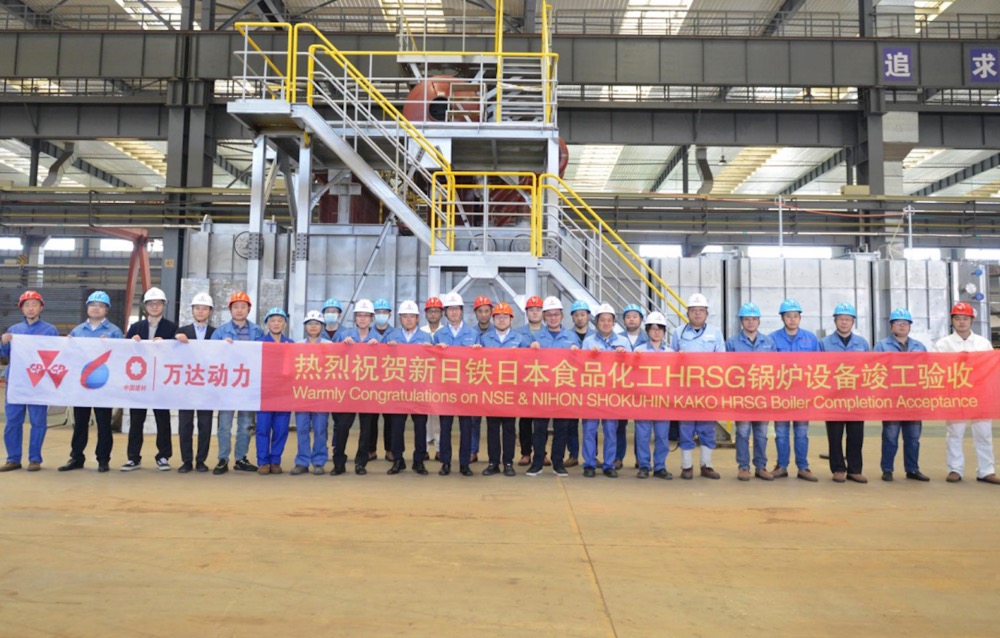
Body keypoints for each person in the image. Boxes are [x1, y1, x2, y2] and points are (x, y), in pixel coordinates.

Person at [935, 301, 999, 485]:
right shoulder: (943, 344)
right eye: (957, 318)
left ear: (971, 320)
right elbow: (936, 369)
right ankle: (955, 469)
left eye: (965, 318)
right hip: (955, 394)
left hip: (980, 395)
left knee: (983, 433)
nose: (961, 322)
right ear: (952, 321)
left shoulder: (983, 343)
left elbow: (991, 368)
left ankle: (986, 470)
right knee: (955, 433)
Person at [59, 291, 123, 473]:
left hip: (104, 385)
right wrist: (66, 344)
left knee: (104, 425)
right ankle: (76, 457)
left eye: (100, 305)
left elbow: (121, 358)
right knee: (80, 424)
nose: (96, 308)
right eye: (93, 305)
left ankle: (103, 459)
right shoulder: (77, 331)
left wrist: (112, 345)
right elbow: (69, 358)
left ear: (107, 310)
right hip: (82, 386)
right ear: (87, 308)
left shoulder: (114, 332)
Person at [1, 290, 59, 472]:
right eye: (27, 305)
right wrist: (3, 342)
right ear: (22, 308)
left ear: (41, 308)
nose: (31, 308)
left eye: (35, 305)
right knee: (13, 421)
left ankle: (35, 459)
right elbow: (4, 354)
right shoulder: (14, 330)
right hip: (16, 382)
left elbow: (57, 354)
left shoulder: (50, 330)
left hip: (39, 382)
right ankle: (13, 459)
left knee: (38, 421)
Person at [121, 287, 177, 472]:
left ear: (164, 305)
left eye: (158, 303)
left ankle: (163, 456)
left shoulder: (172, 328)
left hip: (161, 381)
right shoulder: (136, 328)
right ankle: (133, 458)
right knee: (136, 420)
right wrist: (132, 342)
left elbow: (178, 353)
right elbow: (124, 352)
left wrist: (167, 345)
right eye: (151, 303)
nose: (154, 306)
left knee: (163, 420)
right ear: (145, 306)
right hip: (140, 381)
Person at [873, 308, 930, 482]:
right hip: (891, 399)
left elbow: (927, 371)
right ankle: (887, 469)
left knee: (913, 438)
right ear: (891, 326)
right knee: (890, 437)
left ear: (910, 326)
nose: (902, 326)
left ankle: (912, 469)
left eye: (905, 323)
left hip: (913, 399)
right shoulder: (881, 346)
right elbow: (875, 371)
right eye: (898, 323)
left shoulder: (919, 347)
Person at [671, 293, 724, 480]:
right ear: (688, 313)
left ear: (706, 313)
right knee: (686, 428)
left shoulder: (716, 333)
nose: (697, 314)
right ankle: (687, 466)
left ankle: (706, 465)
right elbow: (672, 361)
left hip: (708, 389)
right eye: (694, 310)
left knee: (707, 428)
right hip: (685, 389)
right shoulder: (678, 332)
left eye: (701, 310)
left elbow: (722, 360)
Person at [210, 291, 263, 475]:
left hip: (248, 384)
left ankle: (241, 458)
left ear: (249, 309)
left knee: (245, 424)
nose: (239, 310)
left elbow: (263, 356)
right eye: (235, 307)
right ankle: (222, 459)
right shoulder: (220, 332)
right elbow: (209, 356)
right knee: (224, 425)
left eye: (243, 307)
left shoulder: (257, 332)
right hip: (226, 384)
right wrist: (222, 347)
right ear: (230, 310)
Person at [478, 302, 532, 477]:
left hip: (511, 391)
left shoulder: (520, 339)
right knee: (492, 428)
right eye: (498, 317)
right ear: (493, 319)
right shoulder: (485, 339)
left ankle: (508, 462)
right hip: (492, 390)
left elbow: (529, 364)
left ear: (511, 319)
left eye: (505, 317)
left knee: (509, 428)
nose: (501, 320)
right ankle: (493, 462)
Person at [819, 302, 870, 484]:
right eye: (841, 319)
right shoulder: (824, 343)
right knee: (835, 435)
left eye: (848, 319)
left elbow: (869, 369)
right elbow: (819, 369)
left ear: (853, 322)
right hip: (833, 397)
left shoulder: (862, 343)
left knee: (856, 435)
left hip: (856, 397)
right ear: (835, 321)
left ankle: (855, 470)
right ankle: (838, 469)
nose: (844, 322)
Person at [768, 298, 819, 482]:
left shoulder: (810, 339)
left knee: (801, 433)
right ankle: (781, 466)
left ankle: (803, 467)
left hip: (803, 394)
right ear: (782, 318)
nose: (792, 319)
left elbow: (819, 366)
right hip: (781, 394)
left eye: (795, 316)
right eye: (788, 316)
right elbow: (767, 366)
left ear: (800, 318)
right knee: (781, 433)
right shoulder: (772, 339)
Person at [725, 302, 775, 481]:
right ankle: (743, 467)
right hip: (742, 396)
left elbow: (776, 369)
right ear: (741, 321)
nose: (751, 322)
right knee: (742, 432)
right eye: (747, 319)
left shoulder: (768, 342)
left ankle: (761, 467)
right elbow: (726, 370)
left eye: (754, 319)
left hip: (762, 396)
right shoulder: (732, 343)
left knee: (761, 434)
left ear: (759, 321)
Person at [527, 296, 577, 477]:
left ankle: (558, 463)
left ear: (562, 316)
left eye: (556, 314)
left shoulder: (571, 338)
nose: (553, 318)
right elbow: (525, 363)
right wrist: (530, 349)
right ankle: (537, 462)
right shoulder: (536, 337)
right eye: (549, 315)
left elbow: (581, 364)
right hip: (542, 391)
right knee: (539, 429)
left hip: (563, 391)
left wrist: (577, 353)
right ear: (544, 316)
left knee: (561, 429)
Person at [332, 298, 382, 475]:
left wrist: (380, 349)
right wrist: (342, 346)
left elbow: (387, 364)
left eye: (366, 315)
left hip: (369, 390)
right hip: (347, 390)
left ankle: (361, 462)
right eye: (359, 315)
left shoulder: (379, 338)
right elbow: (331, 359)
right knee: (342, 427)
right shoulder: (343, 336)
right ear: (355, 318)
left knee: (366, 429)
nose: (362, 318)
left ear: (371, 318)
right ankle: (338, 462)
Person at [383, 300, 433, 476]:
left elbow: (434, 363)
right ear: (400, 319)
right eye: (405, 316)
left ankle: (419, 460)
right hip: (398, 390)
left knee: (420, 427)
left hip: (419, 390)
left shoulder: (426, 338)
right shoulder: (391, 337)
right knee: (397, 427)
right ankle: (398, 459)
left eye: (412, 316)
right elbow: (379, 360)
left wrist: (432, 350)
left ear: (418, 318)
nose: (409, 319)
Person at [432, 292, 479, 476]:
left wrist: (478, 351)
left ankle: (464, 464)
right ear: (445, 312)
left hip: (466, 389)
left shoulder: (473, 334)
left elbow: (480, 363)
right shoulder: (439, 335)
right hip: (446, 389)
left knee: (466, 428)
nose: (453, 312)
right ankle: (445, 462)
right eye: (450, 309)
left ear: (461, 311)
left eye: (456, 309)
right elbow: (432, 362)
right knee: (445, 428)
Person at [581, 303, 629, 478]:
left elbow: (632, 368)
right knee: (589, 430)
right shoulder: (588, 342)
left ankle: (609, 464)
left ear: (614, 323)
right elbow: (580, 366)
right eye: (602, 320)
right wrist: (589, 356)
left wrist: (625, 356)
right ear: (597, 322)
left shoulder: (623, 342)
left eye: (609, 320)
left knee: (610, 430)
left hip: (613, 394)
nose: (606, 323)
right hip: (593, 393)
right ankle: (589, 464)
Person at [174, 292, 215, 473]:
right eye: (197, 308)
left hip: (208, 385)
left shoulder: (216, 333)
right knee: (185, 424)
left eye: (204, 308)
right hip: (187, 385)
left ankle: (201, 460)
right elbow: (169, 352)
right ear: (192, 310)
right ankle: (186, 460)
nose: (200, 311)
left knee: (205, 425)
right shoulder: (181, 332)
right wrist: (176, 339)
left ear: (210, 311)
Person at [633, 311, 672, 479]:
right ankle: (643, 465)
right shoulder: (638, 351)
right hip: (643, 399)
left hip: (663, 401)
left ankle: (660, 466)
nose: (657, 332)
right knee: (642, 435)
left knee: (662, 435)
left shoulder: (671, 353)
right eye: (653, 328)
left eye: (660, 329)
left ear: (664, 331)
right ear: (647, 330)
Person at [291, 310, 331, 476]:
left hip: (322, 394)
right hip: (302, 394)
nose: (313, 327)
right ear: (305, 327)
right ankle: (302, 462)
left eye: (316, 324)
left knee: (320, 429)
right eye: (310, 324)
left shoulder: (330, 346)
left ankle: (319, 461)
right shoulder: (297, 346)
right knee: (302, 428)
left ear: (322, 326)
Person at [256, 308, 294, 475]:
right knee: (263, 428)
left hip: (284, 393)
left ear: (285, 324)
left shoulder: (291, 344)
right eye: (272, 320)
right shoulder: (259, 343)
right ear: (267, 324)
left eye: (280, 320)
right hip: (264, 393)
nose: (276, 324)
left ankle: (275, 460)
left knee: (281, 429)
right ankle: (263, 462)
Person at [617, 303, 648, 469]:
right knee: (619, 424)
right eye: (628, 317)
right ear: (623, 320)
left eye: (635, 316)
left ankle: (640, 458)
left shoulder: (649, 338)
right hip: (621, 388)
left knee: (641, 426)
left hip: (642, 388)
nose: (631, 319)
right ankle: (618, 457)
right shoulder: (616, 338)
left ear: (641, 320)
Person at [564, 299, 594, 467]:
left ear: (588, 316)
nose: (580, 318)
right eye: (576, 315)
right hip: (571, 385)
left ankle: (592, 455)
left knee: (591, 423)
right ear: (572, 317)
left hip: (591, 385)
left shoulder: (596, 336)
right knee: (571, 423)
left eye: (583, 314)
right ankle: (573, 454)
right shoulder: (566, 336)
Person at [516, 295, 545, 466]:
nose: (534, 313)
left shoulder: (549, 332)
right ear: (526, 313)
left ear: (542, 313)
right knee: (525, 420)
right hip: (524, 382)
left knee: (541, 422)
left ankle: (542, 453)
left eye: (538, 310)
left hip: (543, 383)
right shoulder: (518, 333)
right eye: (531, 310)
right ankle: (525, 453)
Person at [469, 295, 494, 464]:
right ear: (475, 313)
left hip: (494, 384)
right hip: (475, 384)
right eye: (480, 311)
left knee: (493, 422)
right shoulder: (470, 333)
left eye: (486, 311)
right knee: (473, 420)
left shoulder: (499, 330)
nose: (483, 314)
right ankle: (472, 451)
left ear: (491, 313)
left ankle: (494, 456)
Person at [420, 297, 444, 461]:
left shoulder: (445, 332)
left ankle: (439, 447)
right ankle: (424, 448)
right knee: (423, 415)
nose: (433, 314)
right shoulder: (420, 332)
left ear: (441, 313)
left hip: (441, 380)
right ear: (425, 314)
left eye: (436, 311)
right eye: (430, 311)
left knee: (438, 415)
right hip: (422, 378)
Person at [371, 298, 393, 461]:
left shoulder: (396, 334)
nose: (381, 315)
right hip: (370, 382)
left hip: (390, 382)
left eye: (384, 312)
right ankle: (370, 449)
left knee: (390, 418)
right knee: (371, 418)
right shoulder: (367, 333)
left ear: (389, 315)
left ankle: (390, 449)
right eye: (378, 312)